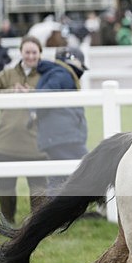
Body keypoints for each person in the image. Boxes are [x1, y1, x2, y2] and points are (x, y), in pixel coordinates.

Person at [0, 36, 48, 223]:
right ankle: (7, 222)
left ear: (40, 53)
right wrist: (11, 91)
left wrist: (34, 94)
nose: (31, 56)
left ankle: (37, 225)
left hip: (35, 141)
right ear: (21, 52)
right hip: (6, 141)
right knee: (4, 187)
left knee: (38, 186)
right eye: (27, 52)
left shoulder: (46, 74)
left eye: (34, 52)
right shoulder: (8, 74)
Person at [33, 46, 89, 195]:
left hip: (55, 137)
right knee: (90, 166)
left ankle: (52, 214)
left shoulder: (56, 73)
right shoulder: (62, 74)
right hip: (64, 137)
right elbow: (42, 98)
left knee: (58, 176)